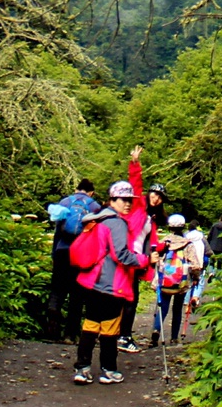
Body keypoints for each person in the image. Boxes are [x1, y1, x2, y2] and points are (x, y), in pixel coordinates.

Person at [68, 179, 150, 385]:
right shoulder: (117, 223)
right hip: (112, 283)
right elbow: (121, 255)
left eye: (130, 200)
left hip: (91, 281)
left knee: (90, 325)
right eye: (123, 199)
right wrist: (144, 260)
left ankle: (83, 368)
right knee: (110, 328)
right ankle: (109, 370)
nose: (128, 204)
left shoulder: (98, 218)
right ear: (112, 200)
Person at [43, 179, 100, 341]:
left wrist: (54, 254)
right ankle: (70, 334)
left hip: (62, 251)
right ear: (91, 192)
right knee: (77, 294)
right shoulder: (94, 206)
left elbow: (57, 232)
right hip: (81, 254)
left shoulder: (65, 202)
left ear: (76, 189)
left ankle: (51, 332)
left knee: (57, 291)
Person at [116, 147, 158, 354]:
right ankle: (120, 336)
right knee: (125, 297)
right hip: (124, 256)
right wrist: (135, 163)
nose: (156, 198)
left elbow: (152, 240)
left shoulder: (153, 218)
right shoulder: (137, 206)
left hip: (136, 260)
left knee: (130, 297)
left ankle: (121, 334)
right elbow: (135, 185)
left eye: (160, 197)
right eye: (154, 194)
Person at [150, 213, 204, 347]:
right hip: (181, 282)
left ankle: (156, 330)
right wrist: (196, 277)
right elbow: (196, 265)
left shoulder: (164, 243)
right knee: (178, 308)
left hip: (165, 281)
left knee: (163, 306)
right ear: (183, 227)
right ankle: (174, 337)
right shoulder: (187, 244)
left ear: (169, 227)